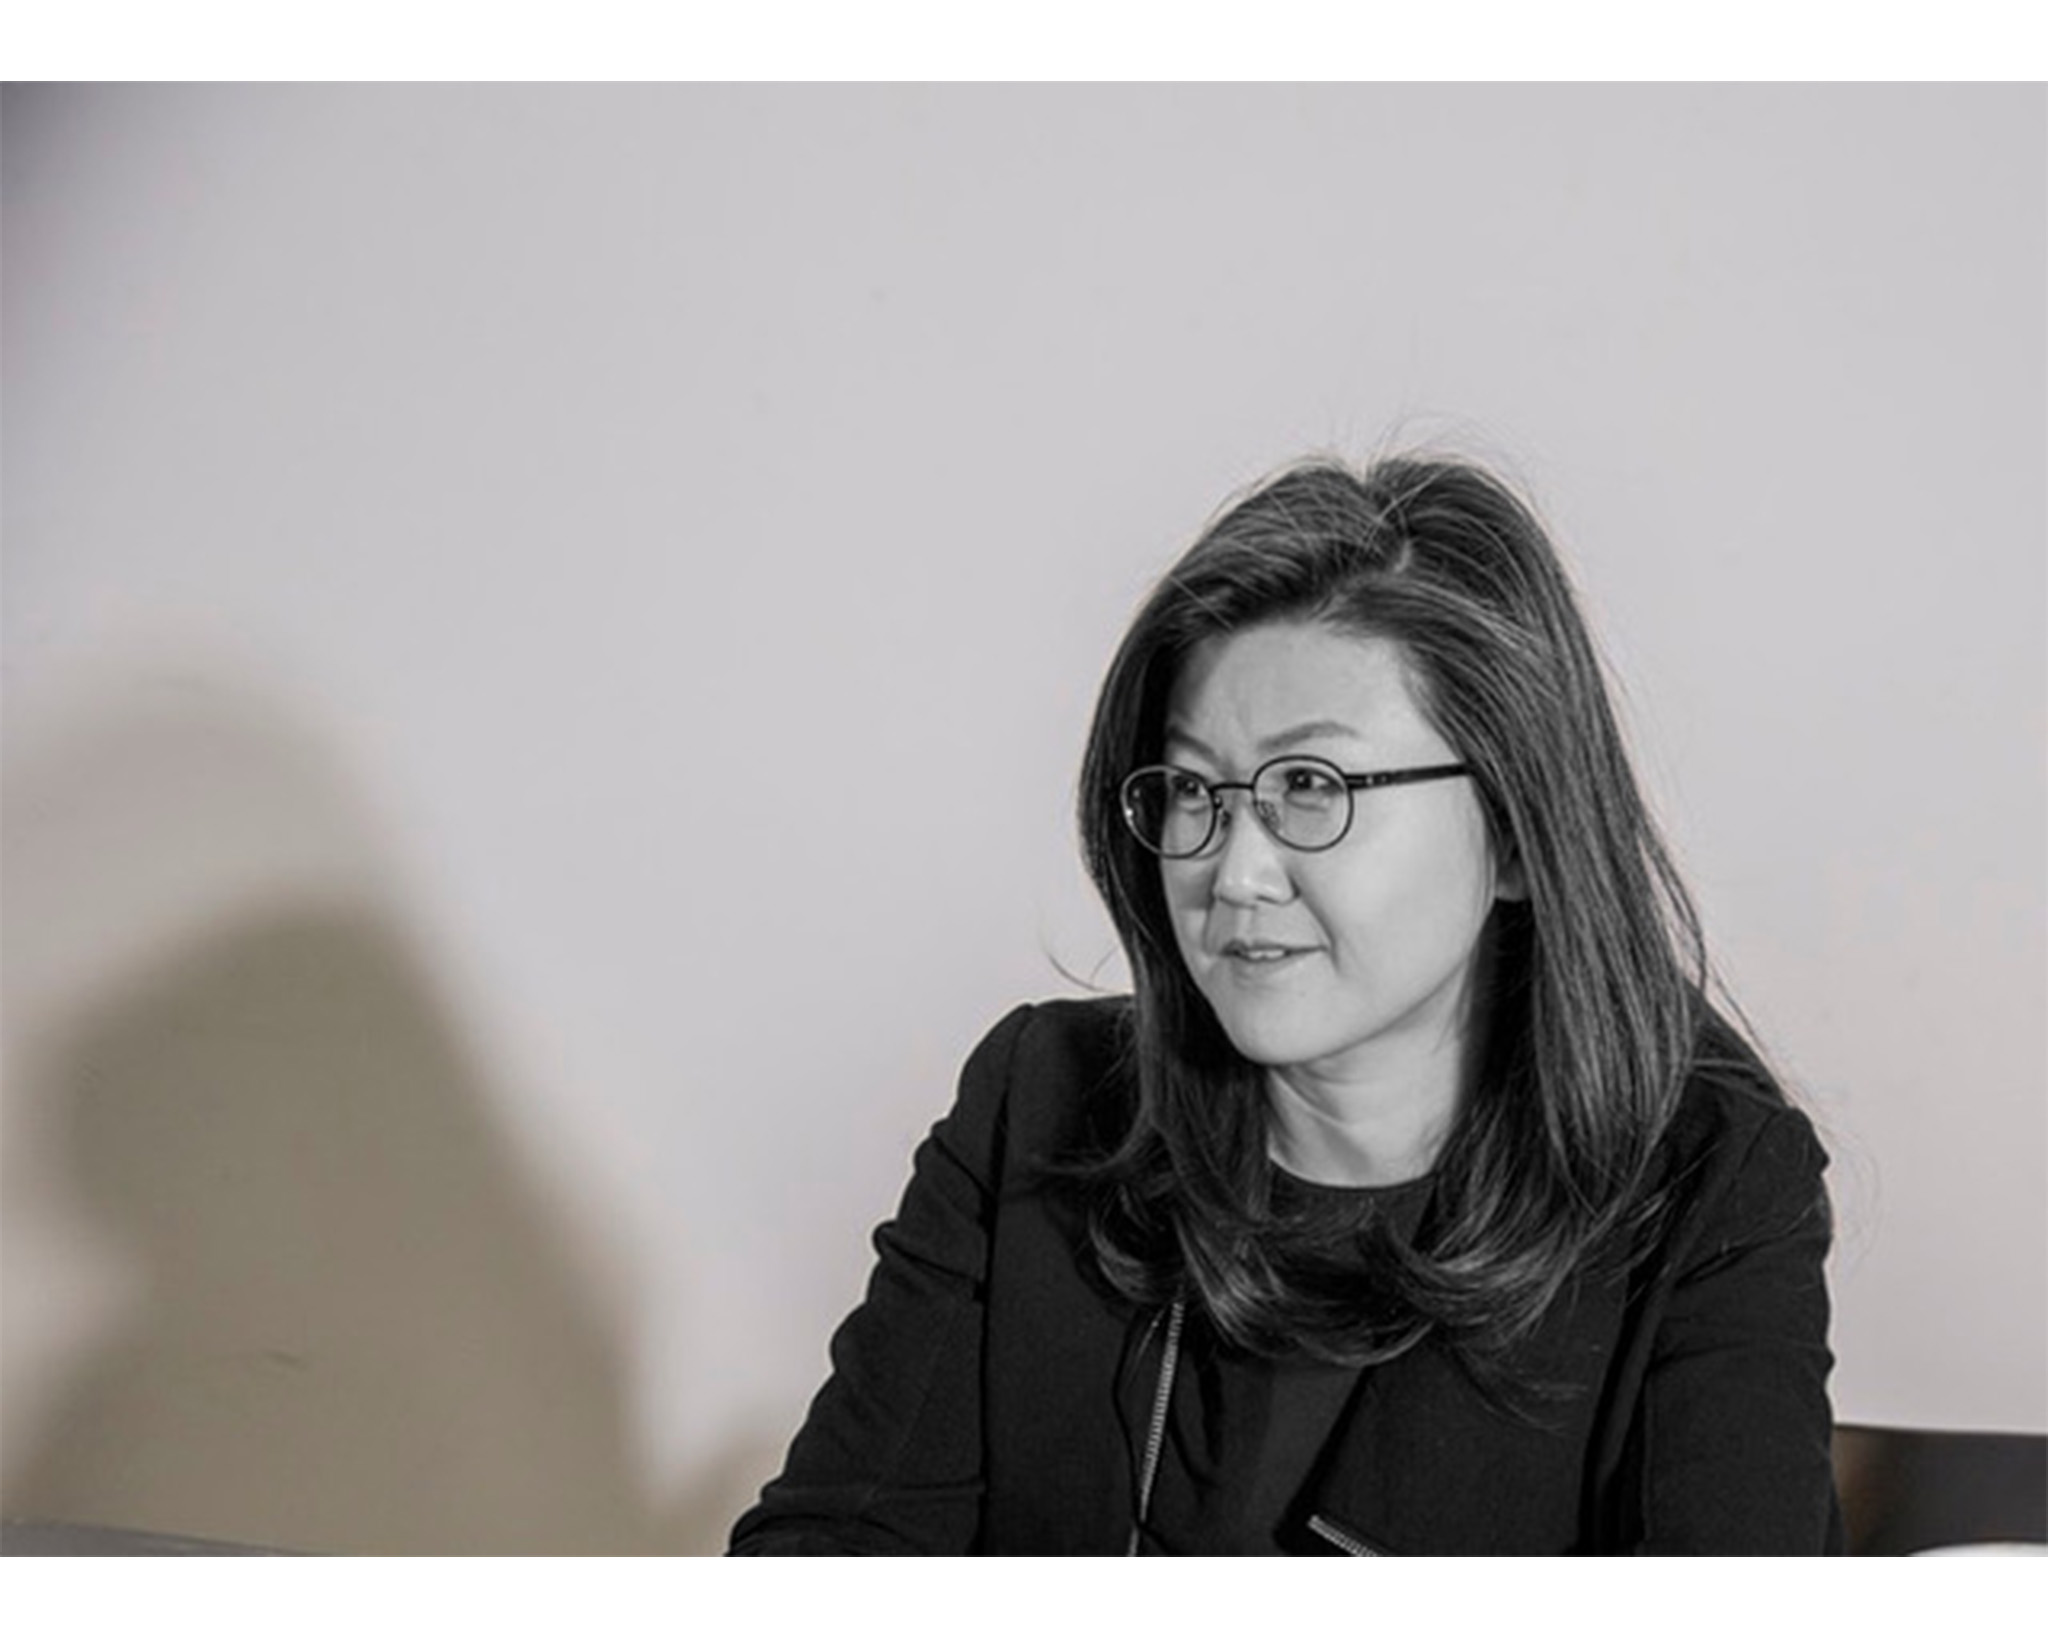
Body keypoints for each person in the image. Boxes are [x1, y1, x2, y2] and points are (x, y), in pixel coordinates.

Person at [729, 455, 1840, 1555]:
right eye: (1194, 792)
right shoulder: (1041, 1100)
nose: (1232, 870)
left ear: (1511, 830)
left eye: (1309, 787)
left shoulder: (1706, 1178)